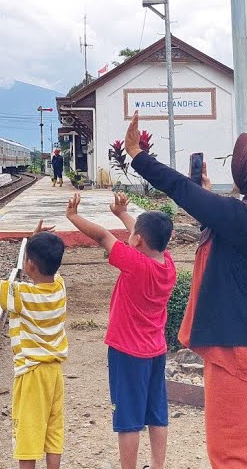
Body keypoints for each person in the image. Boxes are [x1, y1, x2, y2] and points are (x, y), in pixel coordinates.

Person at [123, 111, 247, 469]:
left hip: (243, 353)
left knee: (236, 457)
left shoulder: (244, 219)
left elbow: (180, 189)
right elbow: (228, 224)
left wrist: (138, 155)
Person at [64, 191, 176, 469]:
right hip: (155, 350)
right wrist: (123, 214)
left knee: (128, 419)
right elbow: (142, 235)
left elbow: (103, 237)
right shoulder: (168, 264)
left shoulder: (136, 265)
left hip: (127, 352)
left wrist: (73, 216)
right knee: (156, 413)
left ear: (137, 240)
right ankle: (158, 466)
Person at [0, 221, 69, 469]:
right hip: (54, 373)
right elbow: (37, 268)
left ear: (30, 264)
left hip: (31, 374)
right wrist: (33, 242)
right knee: (53, 432)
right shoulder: (59, 288)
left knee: (28, 436)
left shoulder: (22, 295)